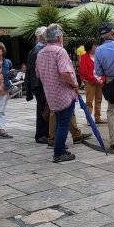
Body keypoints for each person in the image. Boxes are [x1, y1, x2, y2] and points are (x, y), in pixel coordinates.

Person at [35, 23, 78, 163]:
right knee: (63, 124)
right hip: (64, 92)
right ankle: (58, 153)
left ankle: (60, 149)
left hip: (51, 94)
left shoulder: (41, 52)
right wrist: (74, 83)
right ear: (59, 37)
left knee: (60, 122)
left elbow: (38, 74)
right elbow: (65, 73)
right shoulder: (60, 51)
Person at [25, 27, 49, 144]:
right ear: (40, 37)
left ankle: (44, 133)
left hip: (39, 84)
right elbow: (35, 71)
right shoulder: (38, 50)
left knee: (43, 108)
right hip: (40, 85)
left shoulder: (37, 49)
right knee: (42, 109)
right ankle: (41, 134)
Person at [79, 38, 106, 124]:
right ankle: (89, 120)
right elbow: (84, 72)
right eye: (95, 45)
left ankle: (98, 118)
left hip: (100, 81)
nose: (96, 47)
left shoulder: (99, 56)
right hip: (90, 81)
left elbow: (105, 68)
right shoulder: (84, 57)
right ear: (90, 47)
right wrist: (95, 80)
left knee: (99, 99)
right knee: (89, 101)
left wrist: (102, 79)